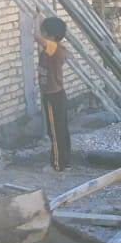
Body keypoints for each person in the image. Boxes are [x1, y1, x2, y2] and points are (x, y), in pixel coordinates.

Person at [34, 16, 71, 171]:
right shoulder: (55, 47)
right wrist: (42, 21)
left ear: (51, 36)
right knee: (61, 131)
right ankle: (65, 162)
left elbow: (36, 37)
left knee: (54, 133)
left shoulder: (54, 47)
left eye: (44, 32)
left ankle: (57, 165)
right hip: (57, 95)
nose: (42, 34)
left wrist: (36, 22)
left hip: (52, 97)